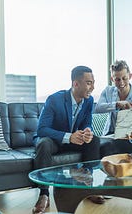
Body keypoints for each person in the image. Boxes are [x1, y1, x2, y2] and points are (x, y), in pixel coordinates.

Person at [32, 66, 101, 214]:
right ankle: (44, 194)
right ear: (76, 84)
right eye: (89, 83)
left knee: (94, 140)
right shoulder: (54, 99)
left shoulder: (89, 101)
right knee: (43, 143)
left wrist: (88, 131)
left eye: (93, 82)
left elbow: (87, 122)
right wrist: (68, 137)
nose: (93, 87)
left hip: (74, 141)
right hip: (54, 141)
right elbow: (42, 129)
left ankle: (87, 185)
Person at [95, 60, 132, 157]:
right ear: (112, 79)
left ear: (130, 76)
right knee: (105, 147)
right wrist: (117, 104)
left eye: (124, 78)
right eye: (117, 79)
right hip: (112, 136)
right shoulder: (108, 91)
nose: (121, 83)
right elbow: (98, 108)